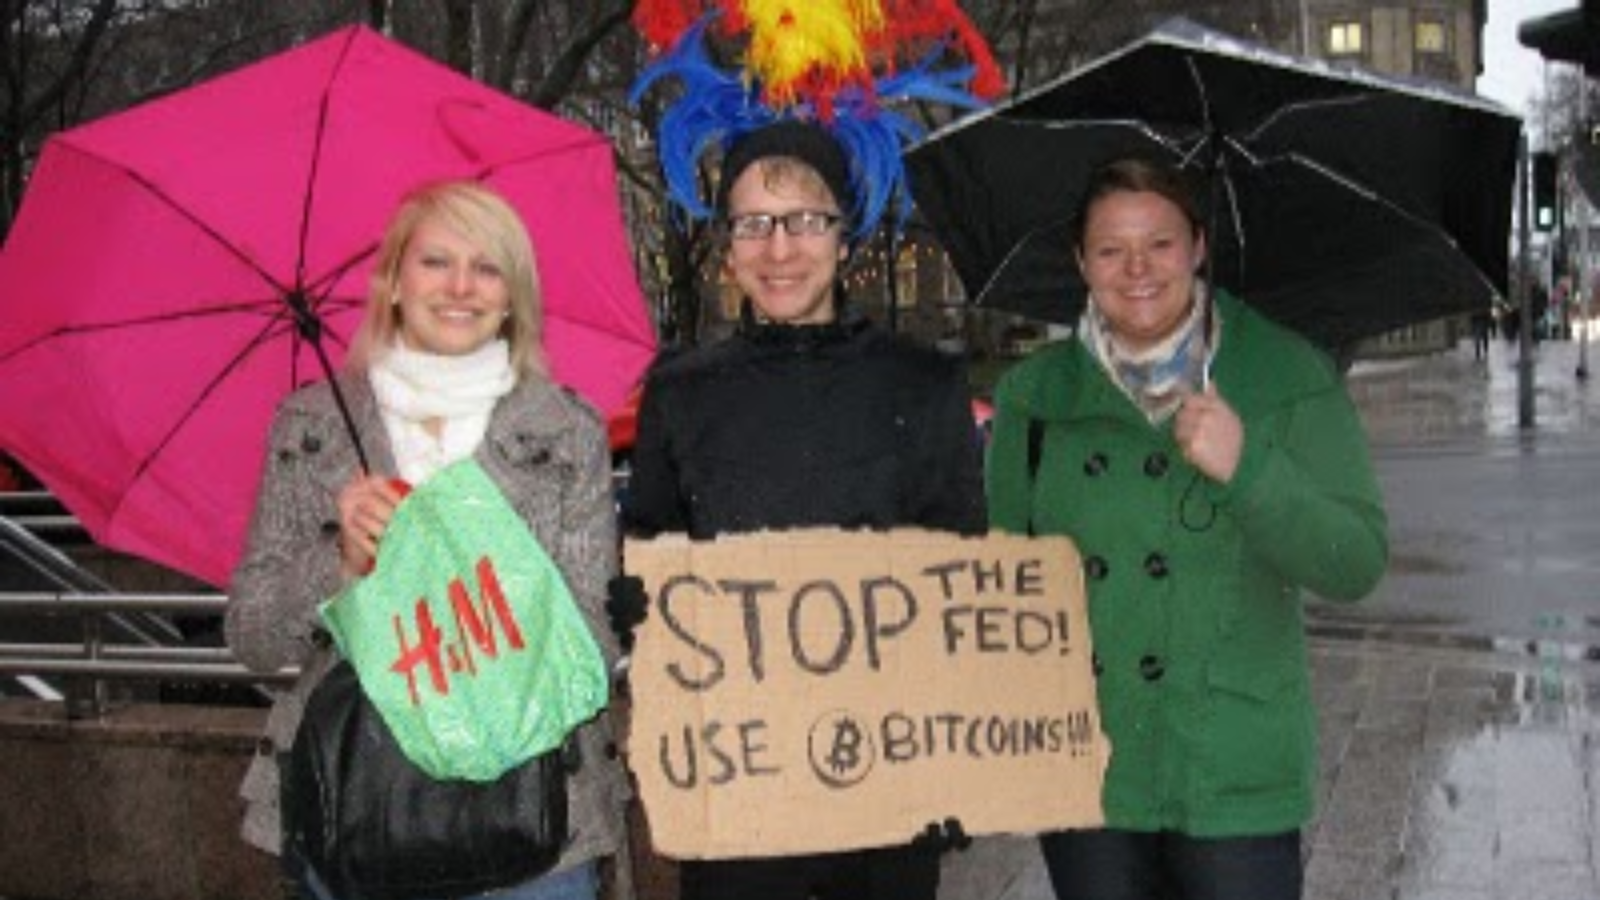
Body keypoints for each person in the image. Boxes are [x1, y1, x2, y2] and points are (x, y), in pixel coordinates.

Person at [986, 157, 1389, 900]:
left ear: (1198, 246)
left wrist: (1249, 470)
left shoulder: (1284, 373)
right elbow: (1003, 582)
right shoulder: (1035, 397)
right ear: (1082, 262)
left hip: (1233, 770)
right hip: (1091, 771)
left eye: (1161, 243)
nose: (1137, 268)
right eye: (1111, 249)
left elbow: (1355, 561)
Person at [225, 181, 628, 900]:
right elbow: (255, 638)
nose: (461, 287)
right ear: (394, 284)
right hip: (356, 799)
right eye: (436, 262)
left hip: (532, 812)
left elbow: (593, 645)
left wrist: (470, 562)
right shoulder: (313, 427)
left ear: (513, 297)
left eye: (488, 267)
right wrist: (342, 567)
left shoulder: (567, 431)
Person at [619, 120, 986, 900]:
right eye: (753, 223)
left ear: (844, 237)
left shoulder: (922, 386)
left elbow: (963, 581)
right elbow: (649, 547)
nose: (779, 249)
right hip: (741, 774)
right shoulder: (683, 393)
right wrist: (643, 606)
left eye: (805, 221)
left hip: (887, 776)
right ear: (728, 243)